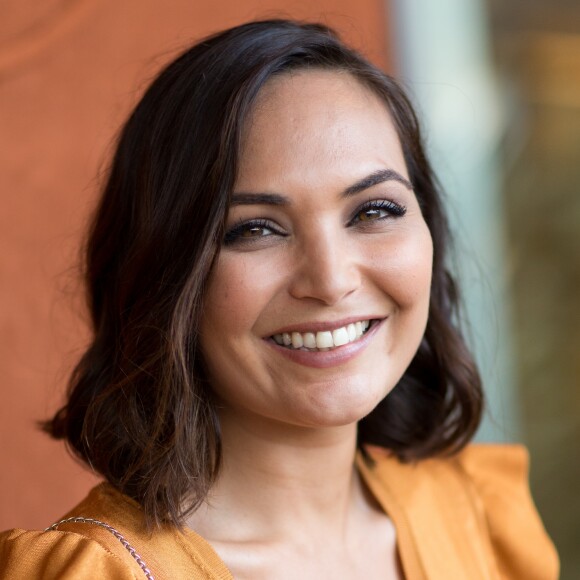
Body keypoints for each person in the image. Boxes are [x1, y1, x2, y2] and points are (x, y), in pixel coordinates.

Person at [0, 19, 558, 579]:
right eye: (256, 229)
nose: (332, 279)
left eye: (374, 211)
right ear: (165, 275)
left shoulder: (477, 521)